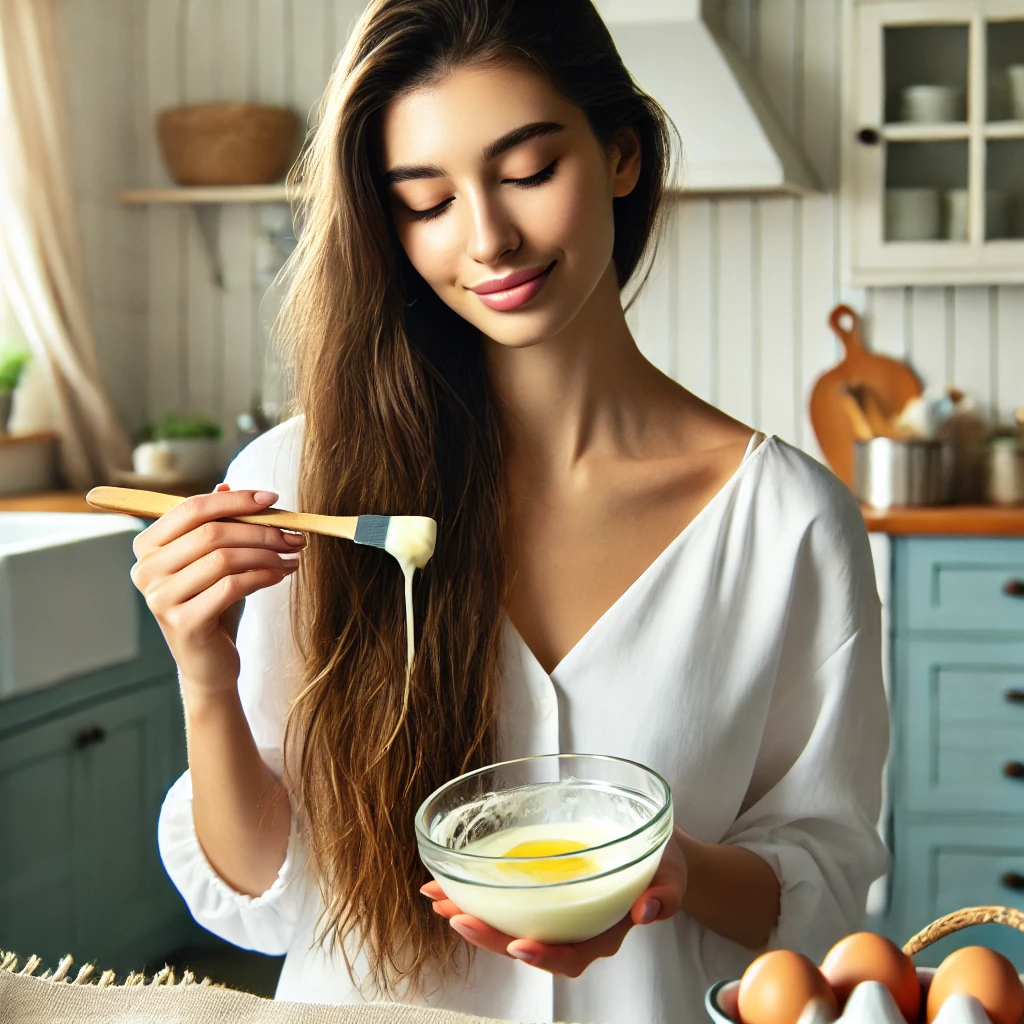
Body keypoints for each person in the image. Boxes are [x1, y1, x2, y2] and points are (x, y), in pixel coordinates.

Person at [135, 1, 890, 1021]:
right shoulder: (307, 488)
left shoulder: (787, 523)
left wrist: (675, 873)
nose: (487, 238)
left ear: (620, 154)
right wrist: (204, 673)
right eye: (425, 200)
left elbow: (822, 883)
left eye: (529, 172)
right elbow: (260, 901)